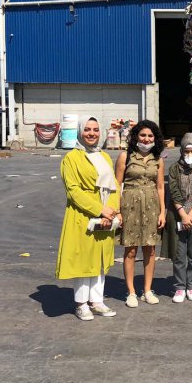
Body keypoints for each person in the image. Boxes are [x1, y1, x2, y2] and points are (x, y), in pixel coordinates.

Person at [56, 116, 120, 321]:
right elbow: (73, 191)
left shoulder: (105, 157)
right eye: (87, 130)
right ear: (80, 132)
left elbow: (113, 186)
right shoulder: (71, 159)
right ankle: (82, 303)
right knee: (83, 261)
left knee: (99, 260)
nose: (91, 133)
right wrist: (99, 209)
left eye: (95, 129)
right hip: (82, 215)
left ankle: (97, 300)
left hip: (106, 215)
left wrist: (113, 210)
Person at [116, 120, 166, 308]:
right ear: (136, 136)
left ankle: (147, 290)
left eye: (150, 136)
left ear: (155, 138)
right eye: (143, 135)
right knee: (130, 250)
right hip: (129, 205)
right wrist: (117, 211)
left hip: (151, 206)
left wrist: (163, 211)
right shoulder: (125, 157)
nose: (146, 139)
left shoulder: (158, 159)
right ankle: (131, 292)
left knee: (150, 249)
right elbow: (116, 184)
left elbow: (160, 187)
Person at [168, 133, 192, 303]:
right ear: (181, 151)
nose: (189, 154)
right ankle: (179, 287)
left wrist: (191, 214)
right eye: (186, 151)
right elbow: (174, 191)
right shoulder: (174, 168)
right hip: (179, 216)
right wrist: (183, 214)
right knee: (179, 254)